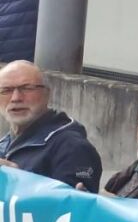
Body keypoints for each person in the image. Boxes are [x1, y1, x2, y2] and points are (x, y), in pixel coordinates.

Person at [0, 60, 101, 192]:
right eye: (6, 90)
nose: (16, 98)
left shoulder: (73, 147)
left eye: (27, 88)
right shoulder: (5, 142)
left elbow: (69, 207)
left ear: (46, 94)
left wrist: (19, 180)